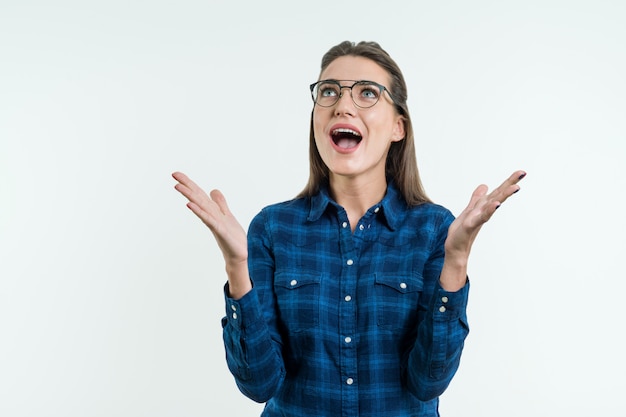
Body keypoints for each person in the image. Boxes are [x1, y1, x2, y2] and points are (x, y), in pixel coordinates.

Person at [173, 40, 525, 417]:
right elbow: (258, 384)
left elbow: (427, 382)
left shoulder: (434, 229)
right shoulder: (273, 229)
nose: (342, 105)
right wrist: (236, 267)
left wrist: (456, 259)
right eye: (329, 92)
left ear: (397, 127)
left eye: (367, 93)